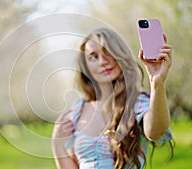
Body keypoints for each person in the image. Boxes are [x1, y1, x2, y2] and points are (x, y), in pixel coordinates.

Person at [51, 27, 173, 169]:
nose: (102, 61)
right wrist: (57, 147)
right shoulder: (78, 110)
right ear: (85, 66)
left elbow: (155, 132)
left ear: (120, 55)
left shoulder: (138, 102)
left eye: (107, 52)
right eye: (93, 56)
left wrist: (157, 83)